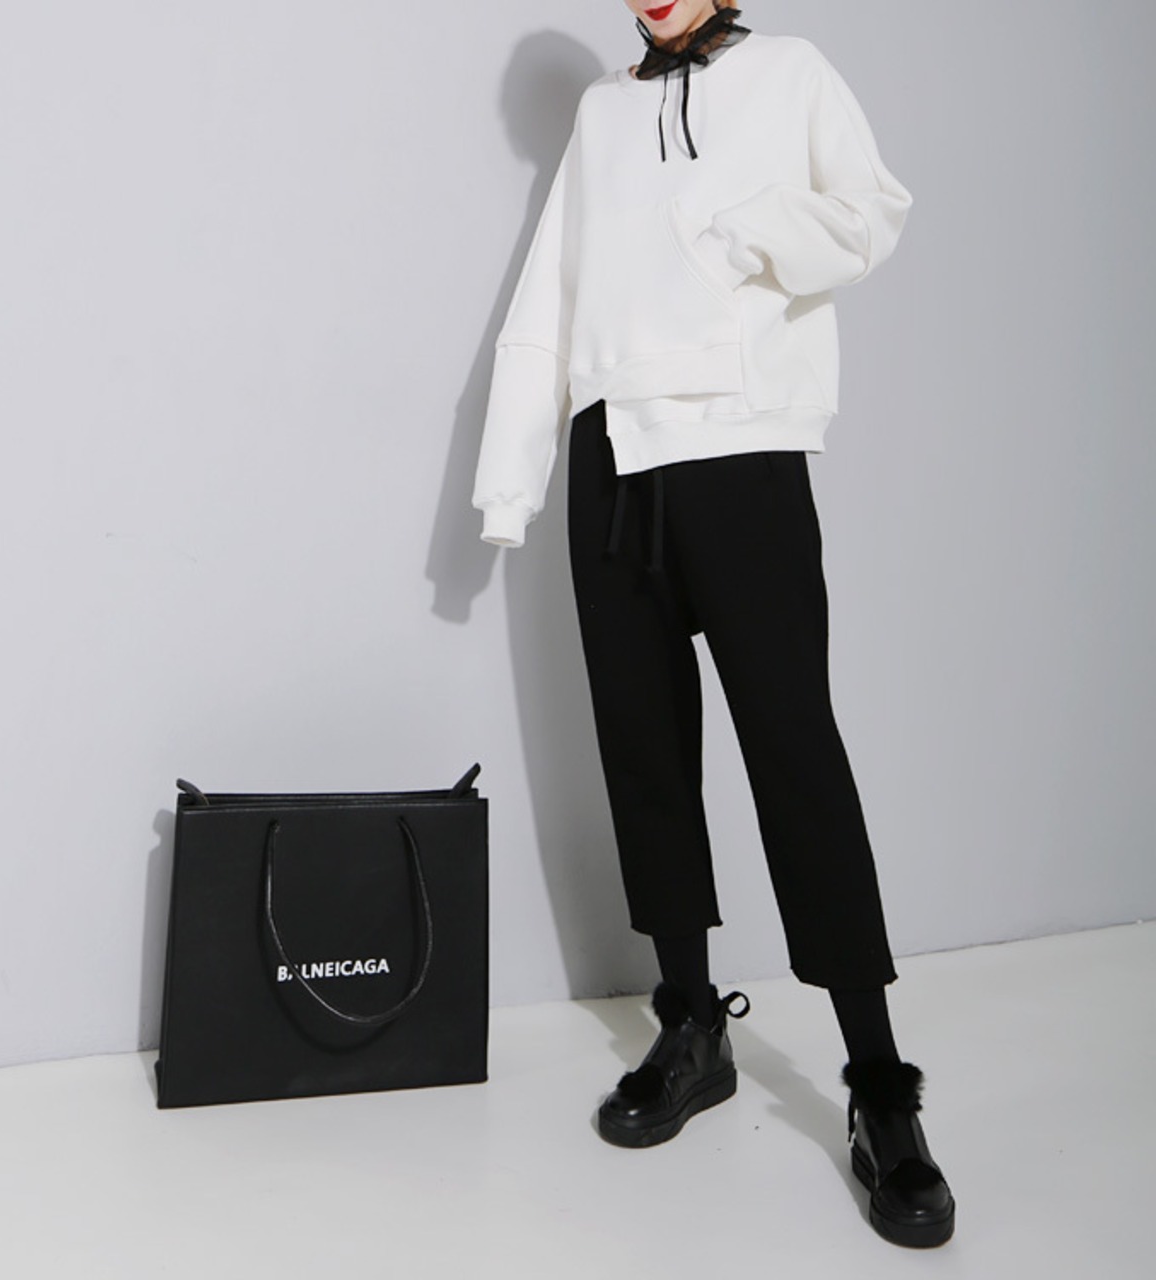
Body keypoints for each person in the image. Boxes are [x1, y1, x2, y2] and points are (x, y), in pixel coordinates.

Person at [471, 0, 954, 1248]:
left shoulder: (791, 74)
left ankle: (877, 1083)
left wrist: (738, 225)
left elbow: (871, 212)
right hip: (611, 459)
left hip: (740, 451)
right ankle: (689, 1022)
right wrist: (509, 480)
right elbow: (548, 298)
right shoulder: (601, 113)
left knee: (794, 750)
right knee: (641, 748)